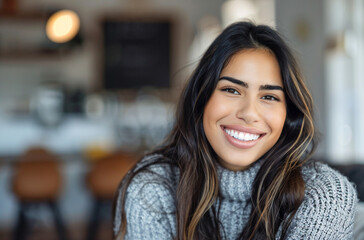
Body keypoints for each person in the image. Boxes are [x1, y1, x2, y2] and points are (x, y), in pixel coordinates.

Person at [113, 21, 357, 240]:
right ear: (201, 98)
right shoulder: (150, 189)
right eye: (231, 90)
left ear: (289, 115)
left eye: (269, 96)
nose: (249, 113)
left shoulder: (324, 195)